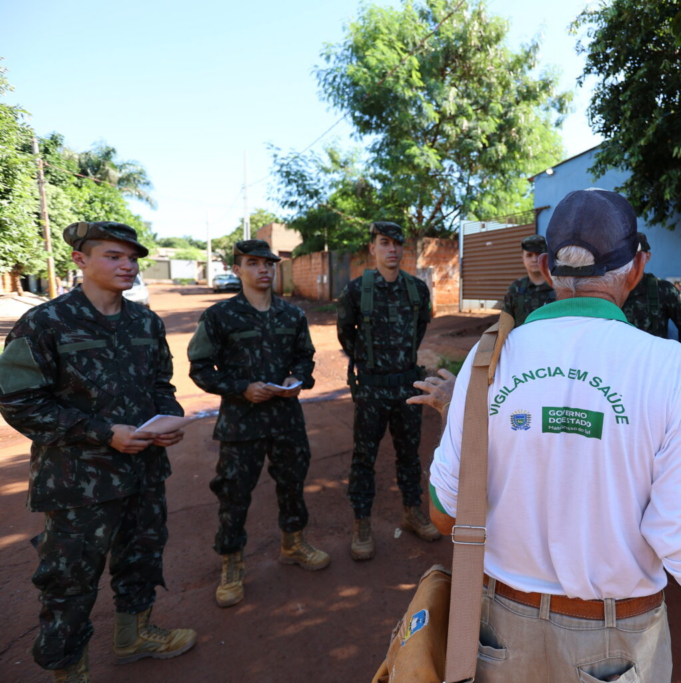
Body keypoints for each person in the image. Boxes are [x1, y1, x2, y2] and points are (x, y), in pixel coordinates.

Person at [423, 188, 681, 682]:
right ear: (636, 268)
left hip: (498, 636)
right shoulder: (671, 368)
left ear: (549, 268)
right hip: (616, 646)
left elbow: (443, 516)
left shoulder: (487, 361)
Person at [0, 222, 196, 682]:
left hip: (144, 470)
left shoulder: (146, 322)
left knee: (141, 558)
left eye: (132, 258)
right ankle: (70, 670)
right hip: (77, 482)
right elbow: (19, 401)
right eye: (113, 256)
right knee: (69, 580)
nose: (127, 265)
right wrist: (103, 433)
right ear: (80, 260)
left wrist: (169, 418)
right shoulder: (45, 322)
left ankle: (133, 636)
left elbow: (161, 386)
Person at [187, 239, 328, 609]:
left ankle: (293, 542)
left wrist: (296, 379)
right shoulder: (220, 316)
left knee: (293, 482)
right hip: (241, 421)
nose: (263, 269)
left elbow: (305, 357)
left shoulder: (292, 315)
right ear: (238, 270)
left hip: (286, 418)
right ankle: (231, 563)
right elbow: (200, 369)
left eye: (268, 263)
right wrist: (240, 389)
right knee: (234, 492)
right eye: (253, 263)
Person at [337, 221, 439, 561]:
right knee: (364, 458)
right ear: (373, 248)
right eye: (384, 243)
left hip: (406, 386)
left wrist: (400, 362)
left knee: (410, 455)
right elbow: (344, 334)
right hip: (371, 389)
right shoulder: (356, 290)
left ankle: (412, 512)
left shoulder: (416, 289)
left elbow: (421, 326)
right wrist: (370, 362)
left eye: (397, 243)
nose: (392, 249)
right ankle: (361, 523)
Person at [622, 232, 681, 352]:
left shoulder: (664, 289)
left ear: (648, 257)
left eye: (637, 255)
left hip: (652, 366)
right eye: (627, 255)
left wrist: (677, 360)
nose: (633, 260)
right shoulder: (609, 288)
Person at [501, 234, 556, 327]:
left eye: (538, 255)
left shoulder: (558, 287)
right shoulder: (515, 288)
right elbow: (505, 323)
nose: (534, 260)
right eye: (529, 255)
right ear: (523, 258)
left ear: (547, 257)